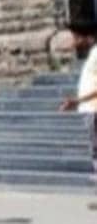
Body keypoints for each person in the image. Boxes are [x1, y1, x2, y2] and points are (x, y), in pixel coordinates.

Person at [60, 21, 97, 207]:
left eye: (76, 38)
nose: (73, 42)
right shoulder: (93, 54)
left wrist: (77, 101)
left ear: (88, 37)